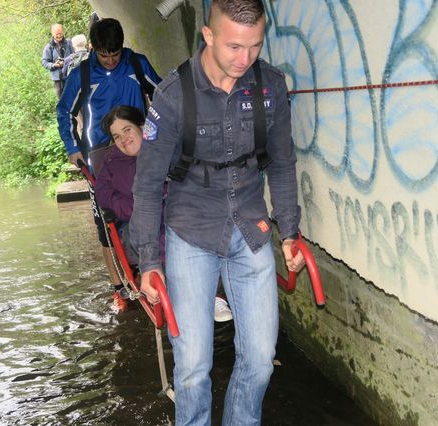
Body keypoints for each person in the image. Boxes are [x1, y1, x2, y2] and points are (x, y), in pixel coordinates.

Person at [129, 0, 305, 424]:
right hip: (191, 232)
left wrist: (290, 232)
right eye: (233, 47)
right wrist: (149, 262)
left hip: (250, 227)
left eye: (254, 46)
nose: (244, 59)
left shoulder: (271, 87)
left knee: (261, 359)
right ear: (207, 36)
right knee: (192, 369)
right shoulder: (172, 97)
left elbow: (281, 163)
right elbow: (148, 185)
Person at [56, 18, 162, 312]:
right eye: (105, 54)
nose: (112, 60)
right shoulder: (83, 74)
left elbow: (164, 97)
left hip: (139, 147)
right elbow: (64, 111)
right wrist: (72, 148)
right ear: (93, 49)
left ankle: (153, 271)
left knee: (152, 207)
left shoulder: (136, 64)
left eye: (116, 53)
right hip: (101, 153)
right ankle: (120, 288)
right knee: (107, 222)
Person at [96, 105, 233, 320]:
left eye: (127, 130)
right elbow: (103, 194)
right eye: (116, 136)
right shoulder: (112, 161)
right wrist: (132, 206)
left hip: (175, 213)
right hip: (137, 223)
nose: (123, 139)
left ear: (142, 127)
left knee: (197, 228)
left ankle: (213, 295)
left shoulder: (167, 150)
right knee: (154, 233)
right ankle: (178, 293)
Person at [42, 23, 74, 99]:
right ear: (52, 33)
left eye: (60, 33)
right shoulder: (49, 47)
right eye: (57, 34)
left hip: (71, 76)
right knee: (62, 102)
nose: (59, 36)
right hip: (58, 80)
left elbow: (76, 55)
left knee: (74, 100)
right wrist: (54, 65)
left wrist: (68, 61)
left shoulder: (69, 43)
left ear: (63, 32)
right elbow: (44, 62)